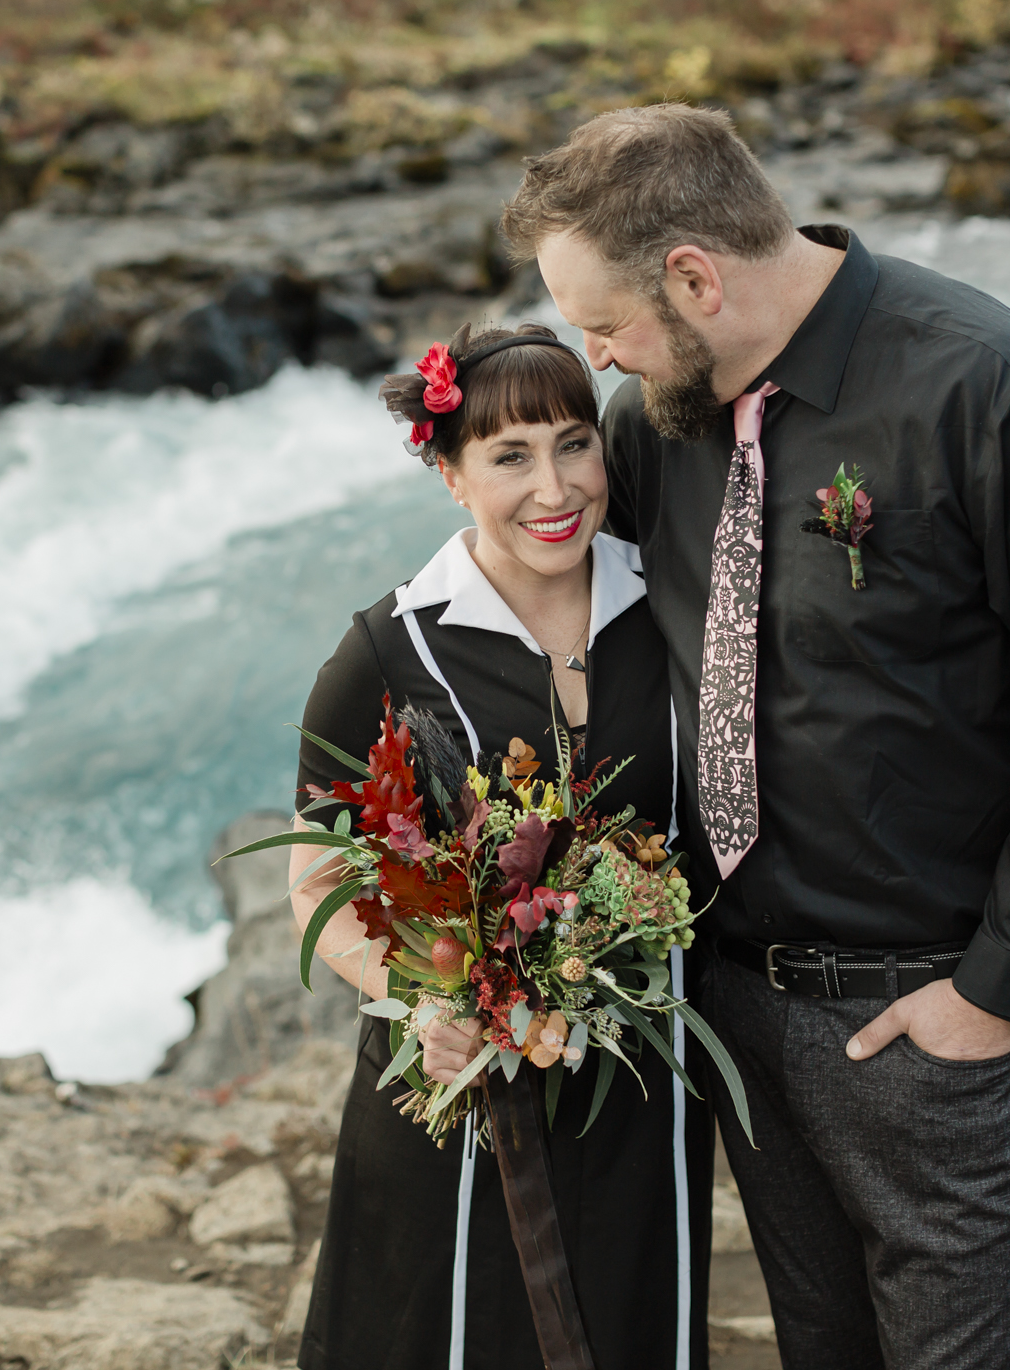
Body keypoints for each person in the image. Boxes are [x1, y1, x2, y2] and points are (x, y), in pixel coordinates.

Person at [498, 105, 1010, 1369]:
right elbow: (568, 611)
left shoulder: (990, 384)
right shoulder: (664, 419)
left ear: (697, 277)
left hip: (932, 1022)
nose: (597, 361)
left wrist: (996, 994)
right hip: (738, 1013)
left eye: (606, 326)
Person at [288, 322, 714, 1370]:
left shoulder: (675, 603)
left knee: (633, 1330)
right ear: (449, 473)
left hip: (637, 1088)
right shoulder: (389, 648)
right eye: (510, 457)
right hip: (455, 1082)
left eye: (575, 443)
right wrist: (427, 998)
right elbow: (318, 885)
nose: (554, 488)